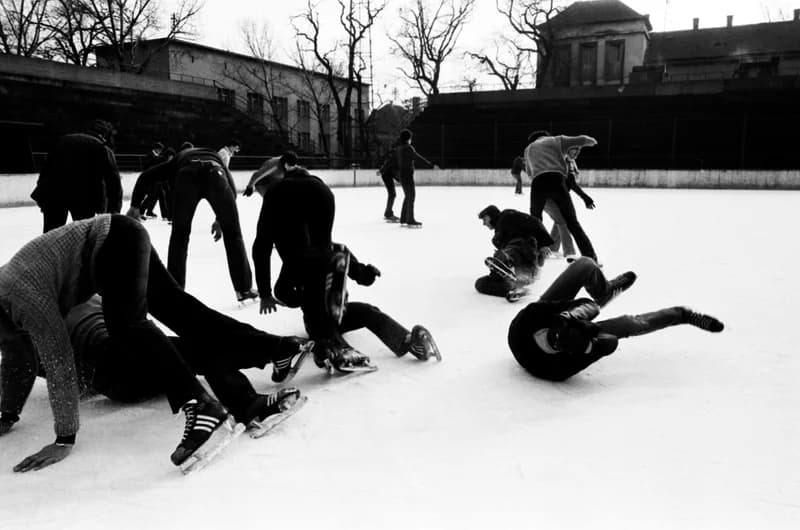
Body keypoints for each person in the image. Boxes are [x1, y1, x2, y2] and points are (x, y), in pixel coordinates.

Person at [0, 215, 239, 472]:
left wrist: (64, 439)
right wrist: (8, 413)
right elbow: (20, 356)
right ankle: (266, 352)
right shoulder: (28, 280)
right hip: (114, 338)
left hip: (111, 365)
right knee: (175, 346)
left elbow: (54, 363)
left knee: (145, 359)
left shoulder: (25, 302)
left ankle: (218, 392)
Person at [64, 293, 308, 434]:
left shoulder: (87, 296)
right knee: (199, 349)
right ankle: (268, 361)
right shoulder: (91, 295)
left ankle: (271, 355)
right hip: (119, 371)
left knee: (196, 349)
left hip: (123, 372)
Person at [507, 257, 724, 382]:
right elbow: (609, 344)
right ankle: (682, 314)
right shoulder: (559, 369)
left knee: (584, 264)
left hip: (555, 318)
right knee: (632, 323)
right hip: (584, 340)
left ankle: (605, 290)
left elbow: (585, 305)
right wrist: (593, 340)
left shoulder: (525, 324)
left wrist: (571, 316)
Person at [252, 152, 367, 372]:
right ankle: (328, 338)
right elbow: (327, 247)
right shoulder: (320, 187)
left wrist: (265, 293)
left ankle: (333, 347)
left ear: (271, 181)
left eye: (261, 194)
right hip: (323, 257)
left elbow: (262, 247)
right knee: (314, 273)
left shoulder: (276, 192)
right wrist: (361, 273)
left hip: (301, 263)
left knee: (301, 295)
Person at [127, 146, 257, 302]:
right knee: (234, 235)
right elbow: (232, 190)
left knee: (179, 237)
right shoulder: (215, 156)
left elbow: (146, 176)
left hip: (186, 176)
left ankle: (174, 290)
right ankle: (244, 288)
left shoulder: (177, 159)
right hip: (215, 173)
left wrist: (135, 206)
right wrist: (220, 219)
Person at [309, 243, 442, 372]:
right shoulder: (305, 256)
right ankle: (336, 350)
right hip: (316, 318)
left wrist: (368, 273)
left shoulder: (339, 251)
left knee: (368, 311)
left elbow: (359, 274)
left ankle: (406, 342)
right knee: (324, 326)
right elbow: (291, 295)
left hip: (340, 312)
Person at [30, 119, 122, 232]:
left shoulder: (63, 140)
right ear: (105, 134)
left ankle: (48, 250)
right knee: (83, 235)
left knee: (51, 234)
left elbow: (45, 170)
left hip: (54, 194)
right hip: (84, 198)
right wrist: (114, 212)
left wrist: (42, 194)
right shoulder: (102, 147)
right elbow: (114, 182)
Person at [525, 130, 599, 262]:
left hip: (537, 185)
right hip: (556, 181)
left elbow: (530, 173)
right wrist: (591, 141)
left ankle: (532, 259)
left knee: (535, 222)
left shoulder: (528, 149)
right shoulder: (555, 140)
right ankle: (590, 258)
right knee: (572, 222)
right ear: (546, 137)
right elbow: (581, 138)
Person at [475, 205, 554, 302]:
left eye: (484, 220)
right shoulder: (498, 236)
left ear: (490, 216)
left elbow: (534, 222)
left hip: (524, 250)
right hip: (526, 265)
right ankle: (514, 286)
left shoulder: (507, 216)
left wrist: (544, 243)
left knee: (506, 253)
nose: (484, 224)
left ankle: (509, 265)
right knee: (480, 283)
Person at [547, 147, 596, 258]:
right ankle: (569, 254)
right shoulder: (562, 162)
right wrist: (585, 197)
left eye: (578, 152)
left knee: (560, 220)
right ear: (567, 151)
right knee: (564, 221)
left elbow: (570, 182)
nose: (577, 154)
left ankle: (552, 249)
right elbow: (571, 183)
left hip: (560, 195)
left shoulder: (570, 162)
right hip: (552, 196)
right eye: (575, 151)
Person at [396, 129, 437, 228]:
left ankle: (404, 218)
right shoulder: (408, 148)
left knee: (408, 196)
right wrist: (431, 165)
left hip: (402, 174)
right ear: (408, 138)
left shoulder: (400, 148)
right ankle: (410, 219)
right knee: (411, 196)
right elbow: (417, 158)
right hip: (407, 174)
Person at [139, 143, 173, 221]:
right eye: (160, 149)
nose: (160, 151)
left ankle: (164, 214)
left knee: (160, 196)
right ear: (156, 149)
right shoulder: (150, 156)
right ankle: (142, 211)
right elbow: (146, 167)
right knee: (152, 195)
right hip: (151, 179)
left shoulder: (158, 157)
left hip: (157, 179)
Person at [377, 146, 400, 222]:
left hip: (390, 173)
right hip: (386, 174)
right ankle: (388, 213)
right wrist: (381, 171)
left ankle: (388, 213)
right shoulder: (396, 153)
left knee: (392, 194)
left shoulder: (400, 153)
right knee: (392, 194)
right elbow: (388, 162)